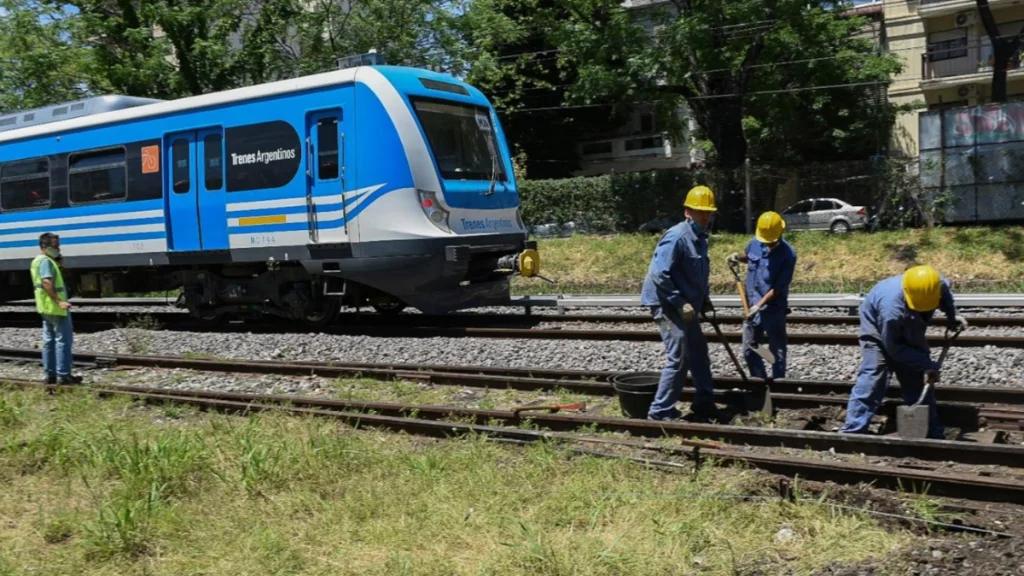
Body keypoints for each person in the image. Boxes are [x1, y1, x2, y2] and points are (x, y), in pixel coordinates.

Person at [838, 265, 967, 439]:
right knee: (874, 376)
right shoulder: (891, 310)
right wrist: (926, 363)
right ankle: (853, 430)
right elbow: (894, 348)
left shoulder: (936, 283)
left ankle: (930, 431)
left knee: (916, 376)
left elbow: (944, 295)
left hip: (912, 321)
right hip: (877, 328)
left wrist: (952, 315)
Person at [640, 185, 717, 422]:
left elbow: (698, 274)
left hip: (687, 305)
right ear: (687, 212)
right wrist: (680, 302)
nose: (705, 216)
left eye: (708, 212)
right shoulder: (677, 237)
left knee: (700, 354)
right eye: (699, 211)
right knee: (680, 356)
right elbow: (659, 274)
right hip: (667, 303)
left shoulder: (701, 238)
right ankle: (660, 411)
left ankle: (704, 401)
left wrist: (704, 300)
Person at [726, 211, 797, 381]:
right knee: (749, 349)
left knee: (777, 352)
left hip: (773, 309)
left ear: (781, 233)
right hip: (751, 307)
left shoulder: (788, 255)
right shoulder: (755, 242)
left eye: (771, 241)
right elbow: (749, 256)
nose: (768, 244)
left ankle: (778, 387)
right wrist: (737, 257)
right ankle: (760, 383)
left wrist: (758, 306)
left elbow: (778, 288)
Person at [30, 233, 82, 386]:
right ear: (44, 247)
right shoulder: (46, 261)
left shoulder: (38, 261)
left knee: (49, 341)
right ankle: (63, 375)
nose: (58, 248)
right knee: (63, 341)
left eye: (58, 245)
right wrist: (59, 301)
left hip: (45, 307)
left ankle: (50, 375)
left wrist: (59, 260)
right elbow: (46, 282)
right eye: (55, 246)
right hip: (55, 308)